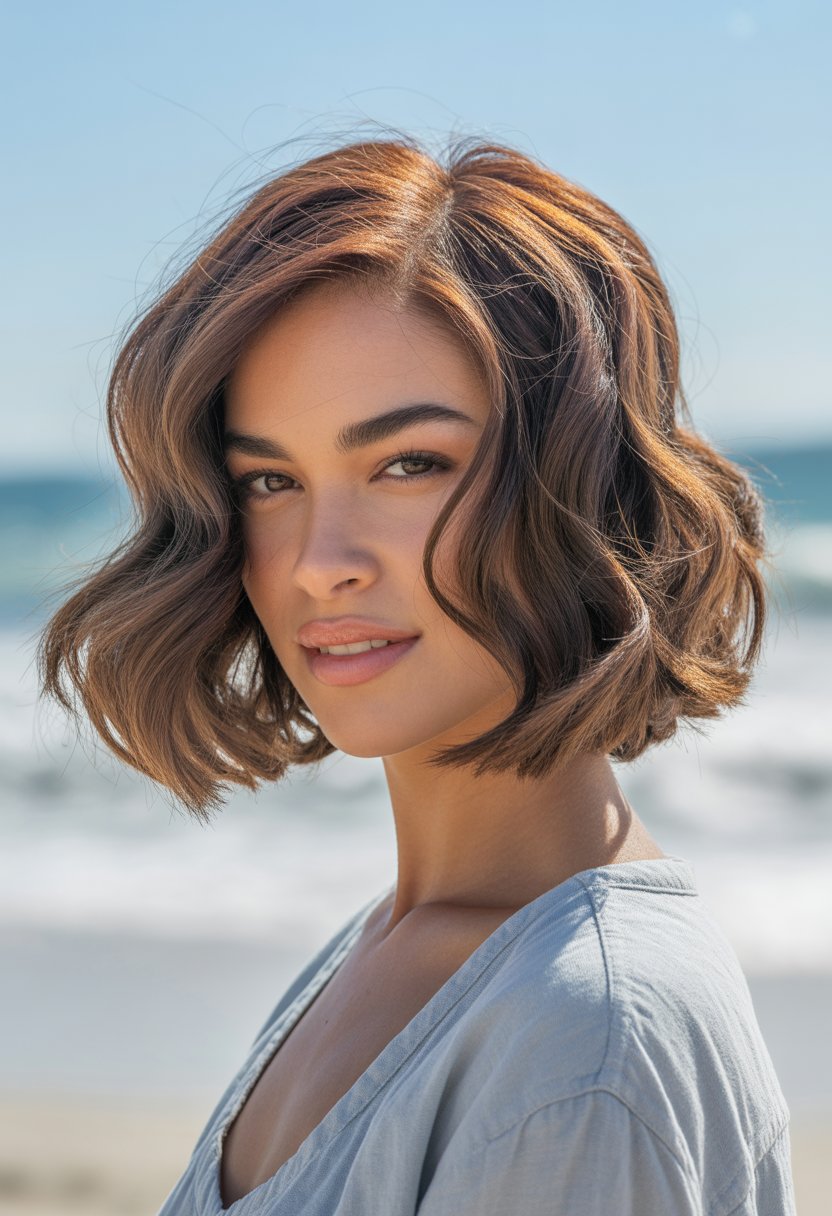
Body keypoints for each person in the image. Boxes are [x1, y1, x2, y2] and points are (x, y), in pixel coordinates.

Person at [39, 134, 796, 1214]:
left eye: (408, 464)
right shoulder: (400, 945)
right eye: (269, 479)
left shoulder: (585, 1038)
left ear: (579, 485)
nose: (316, 560)